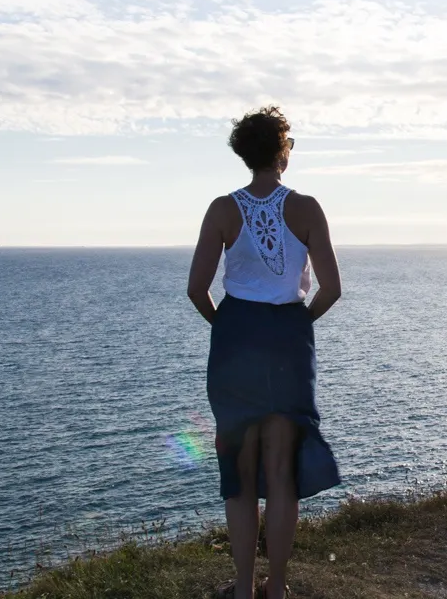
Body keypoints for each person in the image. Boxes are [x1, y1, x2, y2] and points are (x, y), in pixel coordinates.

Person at [187, 106, 342, 599]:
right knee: (280, 472)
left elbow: (197, 289)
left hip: (236, 341)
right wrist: (294, 326)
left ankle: (242, 588)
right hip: (288, 342)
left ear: (244, 154)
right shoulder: (307, 207)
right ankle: (276, 589)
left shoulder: (221, 209)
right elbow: (331, 289)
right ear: (283, 153)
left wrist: (229, 328)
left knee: (240, 470)